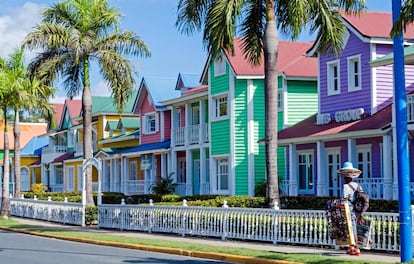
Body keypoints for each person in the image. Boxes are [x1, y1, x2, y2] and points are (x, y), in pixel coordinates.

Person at [338, 161, 362, 256]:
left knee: (351, 229)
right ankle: (351, 247)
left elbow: (345, 199)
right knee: (353, 228)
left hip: (350, 210)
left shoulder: (346, 186)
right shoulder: (358, 186)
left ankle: (356, 247)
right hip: (357, 210)